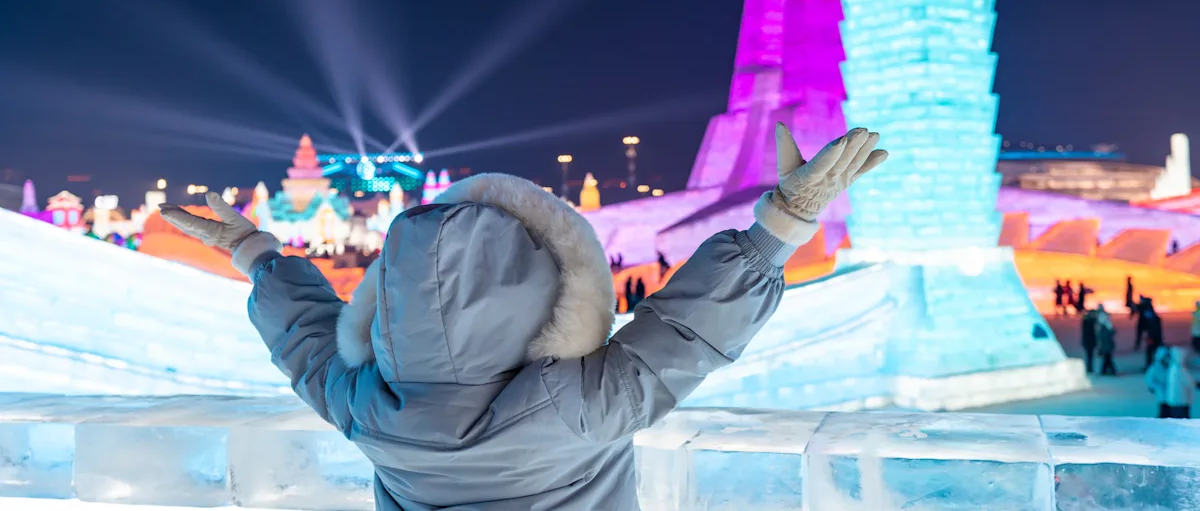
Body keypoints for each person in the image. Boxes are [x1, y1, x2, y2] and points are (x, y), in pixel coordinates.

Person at [159, 124, 887, 510]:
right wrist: (784, 222)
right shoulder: (575, 403)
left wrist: (255, 252)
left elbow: (307, 340)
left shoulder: (371, 406)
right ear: (552, 292)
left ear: (388, 299)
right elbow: (691, 326)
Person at [1095, 305, 1117, 376]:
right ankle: (1107, 371)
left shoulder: (1104, 327)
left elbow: (1105, 338)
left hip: (1106, 346)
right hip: (1107, 346)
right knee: (1107, 359)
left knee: (1107, 359)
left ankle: (1108, 371)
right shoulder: (1105, 326)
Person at [1080, 308, 1098, 373]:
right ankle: (1089, 368)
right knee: (1089, 356)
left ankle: (1089, 368)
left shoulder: (1088, 321)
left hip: (1089, 342)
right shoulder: (1089, 322)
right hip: (1089, 342)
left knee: (1090, 356)